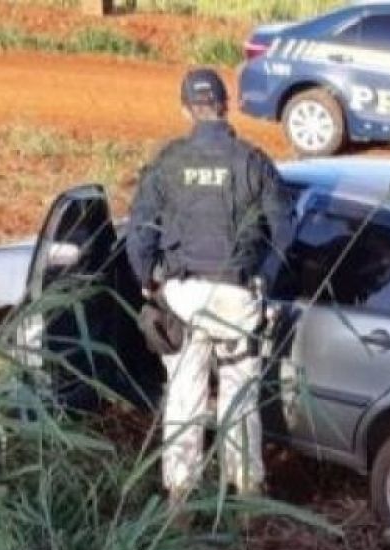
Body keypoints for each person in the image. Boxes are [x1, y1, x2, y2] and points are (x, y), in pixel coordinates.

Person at [126, 67, 293, 511]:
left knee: (184, 397)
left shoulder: (169, 162)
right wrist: (265, 278)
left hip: (184, 296)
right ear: (226, 106)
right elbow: (283, 228)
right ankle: (246, 496)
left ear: (186, 109)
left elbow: (139, 233)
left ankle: (180, 501)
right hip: (237, 295)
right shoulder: (253, 161)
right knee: (240, 397)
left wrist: (148, 281)